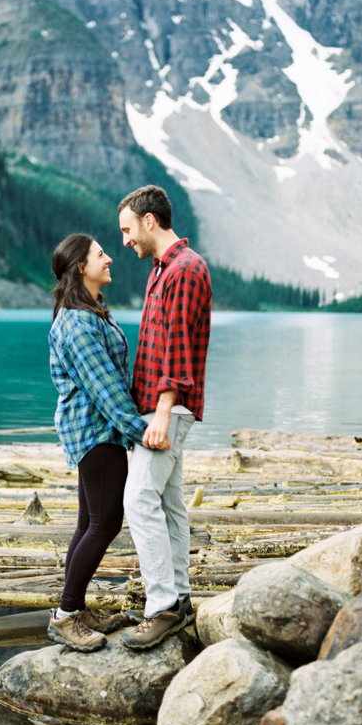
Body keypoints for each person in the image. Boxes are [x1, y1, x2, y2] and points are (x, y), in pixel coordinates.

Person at [118, 185, 212, 650]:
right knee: (170, 503)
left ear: (149, 221)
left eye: (128, 229)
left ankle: (163, 607)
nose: (125, 240)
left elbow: (177, 349)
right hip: (160, 408)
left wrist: (161, 412)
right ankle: (182, 597)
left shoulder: (185, 269)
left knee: (137, 501)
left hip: (168, 409)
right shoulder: (163, 268)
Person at [47, 233, 149, 652]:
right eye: (100, 254)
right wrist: (146, 433)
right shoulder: (78, 323)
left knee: (88, 524)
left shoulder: (90, 313)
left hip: (94, 432)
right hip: (96, 432)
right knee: (105, 523)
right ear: (80, 267)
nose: (110, 258)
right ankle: (65, 614)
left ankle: (75, 607)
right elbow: (105, 388)